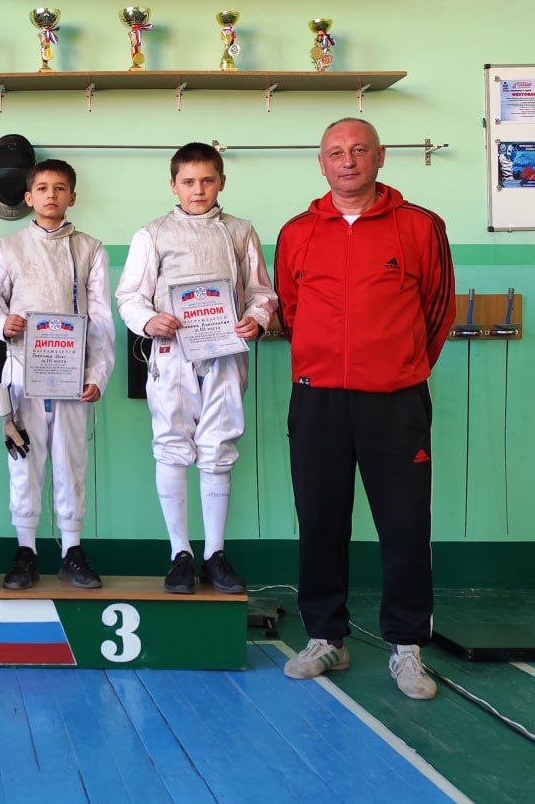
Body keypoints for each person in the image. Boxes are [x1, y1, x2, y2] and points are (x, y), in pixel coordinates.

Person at [275, 117, 455, 700]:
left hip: (396, 401)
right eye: (335, 152)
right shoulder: (297, 231)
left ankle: (407, 647)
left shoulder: (420, 226)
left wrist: (400, 366)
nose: (347, 160)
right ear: (321, 163)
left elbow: (437, 308)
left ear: (380, 157)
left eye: (358, 150)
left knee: (405, 525)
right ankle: (326, 637)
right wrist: (327, 360)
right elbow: (292, 309)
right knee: (320, 520)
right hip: (318, 398)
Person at [116, 142, 276, 595]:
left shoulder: (241, 231)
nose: (198, 190)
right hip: (173, 356)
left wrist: (256, 319)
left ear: (221, 181)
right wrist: (149, 320)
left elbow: (261, 292)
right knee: (171, 446)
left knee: (218, 446)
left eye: (207, 180)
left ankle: (215, 554)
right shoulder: (153, 234)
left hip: (226, 354)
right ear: (173, 185)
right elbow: (129, 296)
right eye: (188, 182)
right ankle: (180, 553)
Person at [0, 159, 115, 589]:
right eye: (42, 188)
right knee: (24, 460)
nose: (51, 194)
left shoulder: (90, 249)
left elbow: (101, 318)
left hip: (73, 375)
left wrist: (97, 374)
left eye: (59, 188)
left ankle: (72, 550)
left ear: (72, 196)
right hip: (22, 371)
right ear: (28, 197)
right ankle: (26, 551)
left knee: (71, 461)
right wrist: (3, 324)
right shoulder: (9, 246)